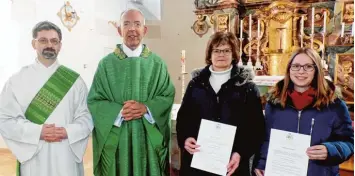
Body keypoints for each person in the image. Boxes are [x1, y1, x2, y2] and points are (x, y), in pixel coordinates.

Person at [87, 9, 175, 176]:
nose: (132, 29)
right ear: (119, 30)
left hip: (148, 139)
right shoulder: (106, 65)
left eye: (137, 24)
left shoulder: (157, 64)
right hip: (118, 140)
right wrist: (119, 111)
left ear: (144, 30)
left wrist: (147, 108)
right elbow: (95, 100)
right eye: (126, 24)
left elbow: (166, 96)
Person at [0, 21, 93, 176]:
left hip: (66, 155)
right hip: (34, 158)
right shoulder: (17, 81)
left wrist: (67, 131)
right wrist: (38, 132)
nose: (49, 45)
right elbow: (5, 120)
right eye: (43, 40)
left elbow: (86, 117)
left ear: (60, 46)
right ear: (33, 44)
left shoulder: (75, 81)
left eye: (54, 41)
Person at [176, 31, 265, 176]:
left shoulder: (247, 87)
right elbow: (184, 118)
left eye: (226, 50)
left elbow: (256, 128)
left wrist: (240, 152)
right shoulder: (196, 84)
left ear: (234, 54)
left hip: (232, 163)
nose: (221, 54)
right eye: (216, 50)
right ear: (209, 54)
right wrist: (186, 139)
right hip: (199, 160)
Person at [254, 48, 354, 176]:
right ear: (289, 70)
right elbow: (267, 139)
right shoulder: (274, 104)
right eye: (296, 66)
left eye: (308, 67)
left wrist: (330, 150)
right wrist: (262, 164)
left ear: (316, 70)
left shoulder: (334, 105)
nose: (301, 71)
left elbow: (349, 143)